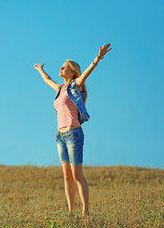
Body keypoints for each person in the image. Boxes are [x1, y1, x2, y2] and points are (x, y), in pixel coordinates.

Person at [34, 43, 112, 217]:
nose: (60, 68)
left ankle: (85, 213)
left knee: (77, 175)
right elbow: (47, 80)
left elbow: (87, 72)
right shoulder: (60, 88)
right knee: (67, 176)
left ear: (72, 72)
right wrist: (40, 69)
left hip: (73, 134)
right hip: (60, 135)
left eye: (64, 67)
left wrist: (97, 58)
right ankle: (71, 213)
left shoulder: (76, 85)